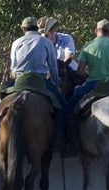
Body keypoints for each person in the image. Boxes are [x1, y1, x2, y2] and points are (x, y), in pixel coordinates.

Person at [8, 15, 66, 147]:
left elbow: (13, 67)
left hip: (19, 80)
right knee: (62, 106)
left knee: (0, 102)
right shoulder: (46, 42)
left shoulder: (16, 42)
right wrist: (56, 82)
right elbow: (53, 67)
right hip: (40, 81)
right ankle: (59, 137)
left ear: (23, 29)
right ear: (37, 28)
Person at [66, 19, 109, 115]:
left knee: (70, 106)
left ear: (96, 31)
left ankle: (63, 129)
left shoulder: (87, 46)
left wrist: (86, 77)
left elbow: (79, 72)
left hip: (93, 84)